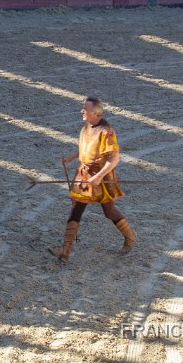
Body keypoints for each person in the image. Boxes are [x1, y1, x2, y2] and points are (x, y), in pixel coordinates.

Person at [49, 97, 136, 262]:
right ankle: (65, 250)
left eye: (85, 109)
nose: (82, 111)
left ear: (95, 113)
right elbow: (86, 148)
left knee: (108, 211)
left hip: (101, 177)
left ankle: (130, 236)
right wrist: (72, 158)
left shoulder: (106, 131)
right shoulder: (87, 127)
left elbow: (114, 158)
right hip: (84, 175)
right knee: (76, 207)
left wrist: (98, 176)